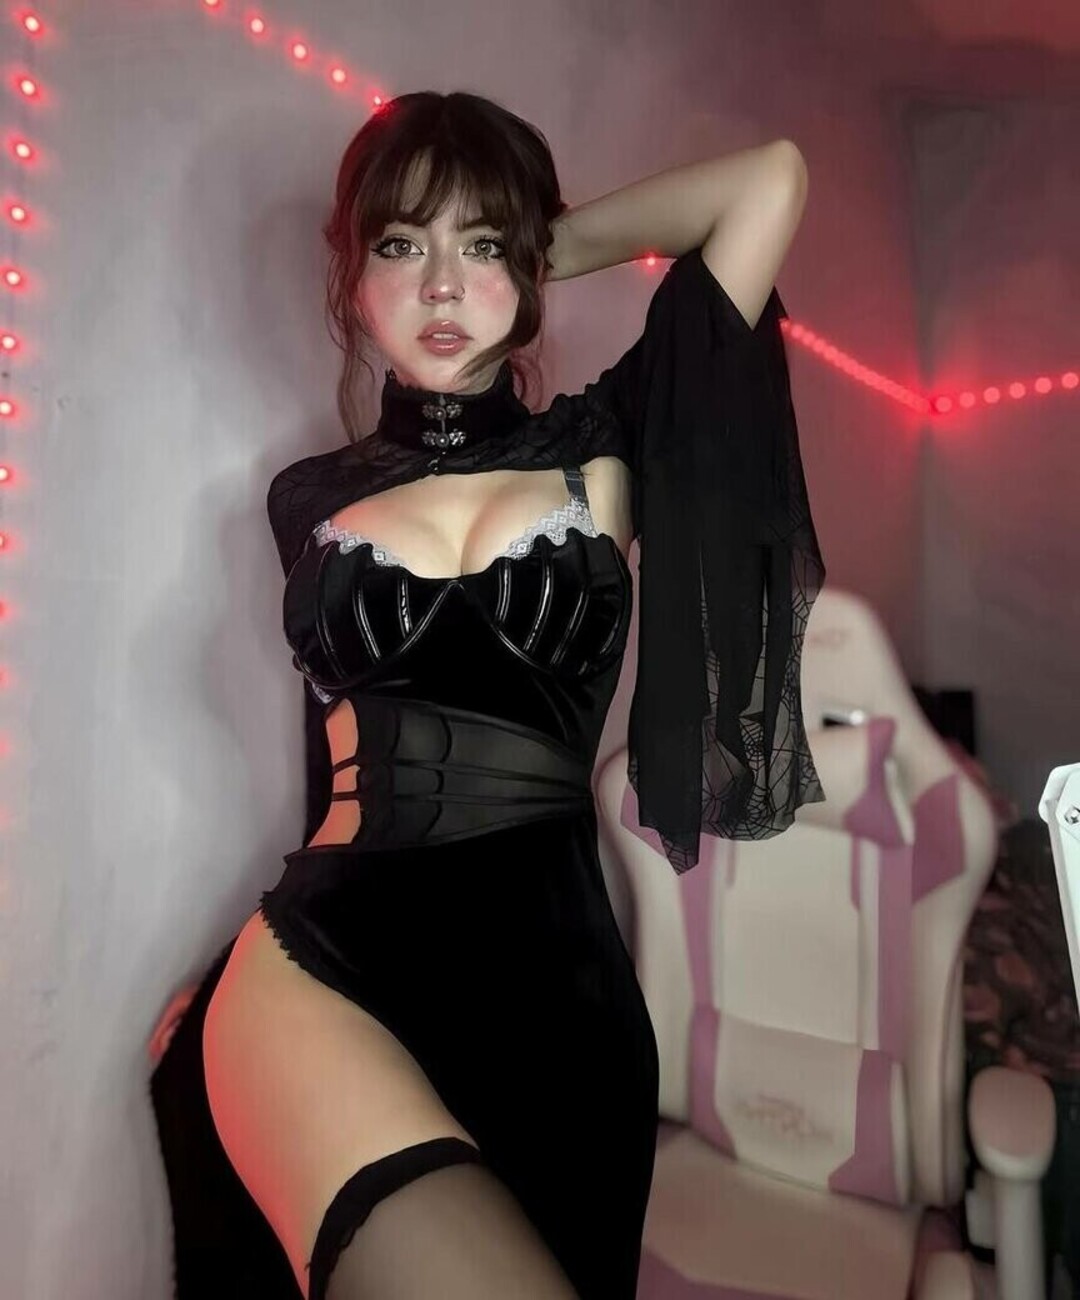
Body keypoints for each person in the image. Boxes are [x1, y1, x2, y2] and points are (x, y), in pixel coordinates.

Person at [148, 90, 826, 1299]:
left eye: (480, 246)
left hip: (556, 1000)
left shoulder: (604, 441)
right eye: (400, 246)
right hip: (327, 966)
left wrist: (538, 241)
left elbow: (766, 179)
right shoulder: (308, 496)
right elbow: (337, 758)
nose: (443, 287)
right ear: (352, 276)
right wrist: (223, 992)